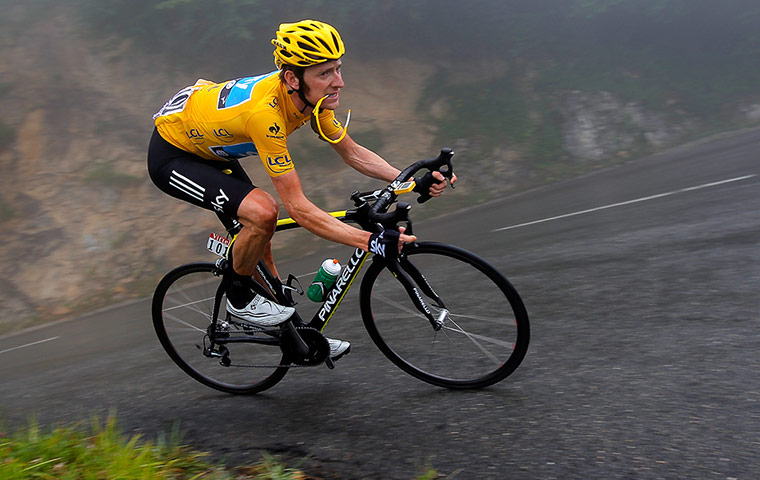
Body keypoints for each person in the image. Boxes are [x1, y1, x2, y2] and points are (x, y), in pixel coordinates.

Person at [147, 20, 455, 360]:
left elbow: (352, 152)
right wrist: (371, 241)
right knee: (264, 213)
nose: (339, 82)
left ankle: (298, 339)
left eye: (338, 69)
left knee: (261, 236)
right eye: (325, 74)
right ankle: (238, 298)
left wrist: (410, 181)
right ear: (293, 79)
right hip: (173, 155)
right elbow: (298, 208)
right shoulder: (267, 115)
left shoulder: (312, 99)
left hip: (209, 146)